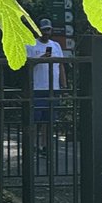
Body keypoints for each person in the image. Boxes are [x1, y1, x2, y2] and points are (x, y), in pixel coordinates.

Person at [25, 18, 66, 154]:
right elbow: (26, 65)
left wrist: (63, 85)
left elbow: (61, 65)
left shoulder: (56, 46)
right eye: (44, 30)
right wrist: (41, 58)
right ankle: (33, 145)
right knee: (35, 120)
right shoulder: (31, 45)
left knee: (49, 121)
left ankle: (45, 146)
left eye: (48, 29)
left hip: (53, 88)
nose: (46, 32)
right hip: (37, 88)